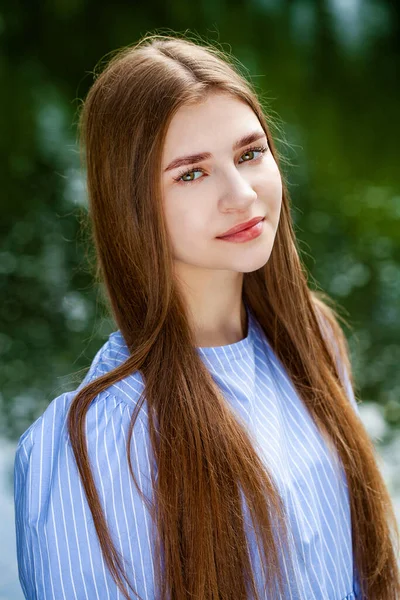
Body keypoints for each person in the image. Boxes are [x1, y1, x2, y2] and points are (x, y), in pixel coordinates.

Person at [14, 33, 399, 600]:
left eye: (249, 154)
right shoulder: (91, 442)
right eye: (191, 173)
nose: (242, 194)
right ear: (132, 204)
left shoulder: (312, 339)